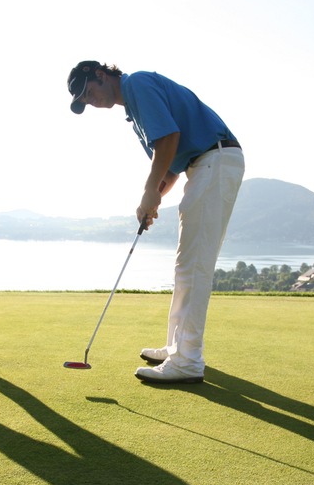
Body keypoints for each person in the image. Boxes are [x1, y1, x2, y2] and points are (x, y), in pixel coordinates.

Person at [67, 61, 244, 385]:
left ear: (101, 75)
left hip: (213, 160)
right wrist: (153, 199)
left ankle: (188, 360)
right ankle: (177, 348)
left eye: (88, 92)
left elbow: (169, 139)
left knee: (195, 265)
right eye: (84, 100)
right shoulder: (133, 112)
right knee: (184, 265)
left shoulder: (136, 85)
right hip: (201, 165)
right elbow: (171, 165)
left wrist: (150, 191)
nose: (90, 101)